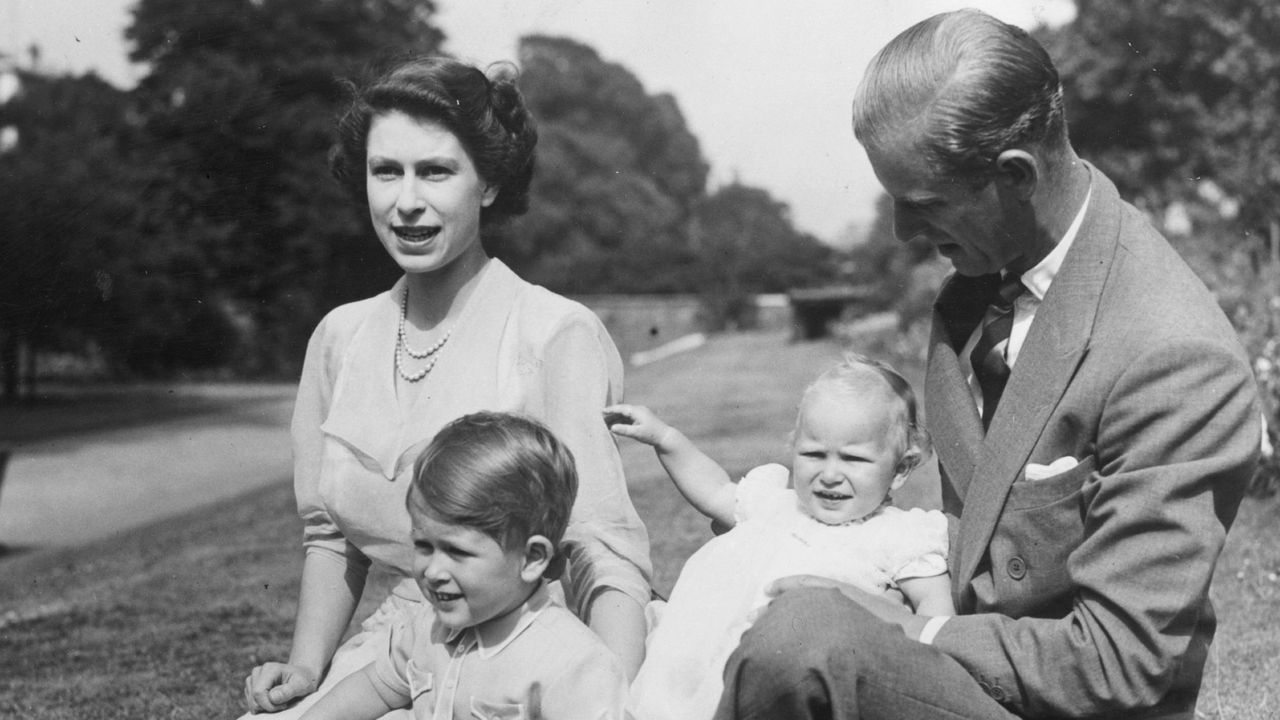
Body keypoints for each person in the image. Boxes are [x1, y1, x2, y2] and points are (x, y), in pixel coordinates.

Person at [714, 9, 1260, 720]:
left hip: (1072, 705)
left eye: (922, 206)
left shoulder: (1173, 355)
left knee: (802, 639)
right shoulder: (979, 291)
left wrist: (910, 629)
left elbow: (1119, 662)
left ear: (1014, 175)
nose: (904, 233)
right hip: (974, 677)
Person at [242, 56, 651, 717]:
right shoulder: (340, 339)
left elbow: (601, 551)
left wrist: (618, 692)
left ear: (487, 184)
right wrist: (305, 668)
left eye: (435, 171)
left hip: (530, 654)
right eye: (387, 172)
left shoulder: (553, 333)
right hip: (402, 650)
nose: (407, 201)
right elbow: (329, 535)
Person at [607, 355, 954, 720]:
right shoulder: (774, 503)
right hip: (697, 663)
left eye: (853, 459)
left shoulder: (901, 535)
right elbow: (714, 492)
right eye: (814, 454)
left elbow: (936, 619)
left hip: (782, 689)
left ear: (900, 468)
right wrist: (665, 438)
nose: (830, 474)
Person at [297, 412, 628, 720]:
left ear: (531, 559)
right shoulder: (426, 627)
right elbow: (376, 685)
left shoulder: (570, 663)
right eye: (424, 546)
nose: (433, 571)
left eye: (457, 552)